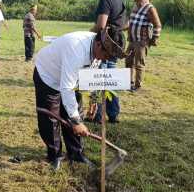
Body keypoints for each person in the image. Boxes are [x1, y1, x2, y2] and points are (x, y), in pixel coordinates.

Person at [34, 29, 127, 170]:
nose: (105, 59)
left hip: (72, 79)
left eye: (109, 58)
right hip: (48, 75)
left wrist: (94, 98)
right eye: (106, 55)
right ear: (98, 44)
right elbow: (66, 88)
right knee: (51, 119)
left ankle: (76, 154)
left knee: (74, 111)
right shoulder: (76, 49)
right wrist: (76, 121)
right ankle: (55, 155)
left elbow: (93, 73)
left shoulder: (99, 51)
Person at [90, 0, 127, 123]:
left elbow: (100, 25)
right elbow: (126, 24)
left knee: (98, 78)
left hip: (104, 45)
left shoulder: (105, 0)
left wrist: (87, 33)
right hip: (116, 43)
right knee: (110, 79)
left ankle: (96, 115)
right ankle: (113, 114)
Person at [125, 0, 162, 92]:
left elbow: (158, 25)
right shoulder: (135, 6)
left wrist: (154, 39)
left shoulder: (150, 8)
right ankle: (128, 83)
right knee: (128, 61)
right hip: (132, 40)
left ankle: (137, 86)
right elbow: (130, 22)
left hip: (141, 41)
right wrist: (122, 28)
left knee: (139, 64)